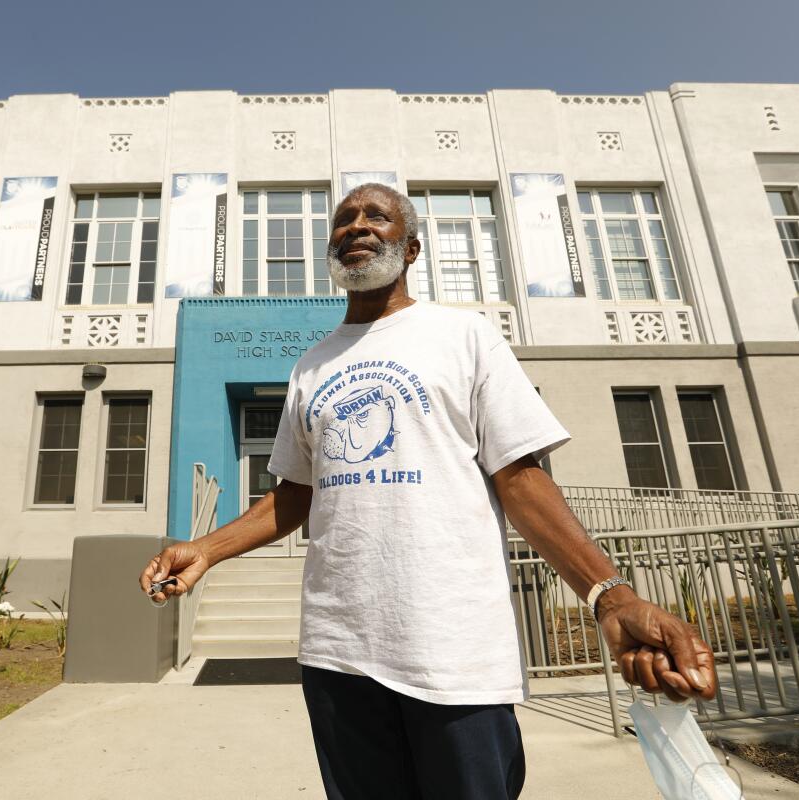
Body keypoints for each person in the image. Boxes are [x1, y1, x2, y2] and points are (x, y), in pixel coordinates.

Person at [139, 183, 718, 799]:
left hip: (453, 654)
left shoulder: (464, 337)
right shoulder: (311, 366)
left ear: (410, 247)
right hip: (338, 655)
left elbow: (521, 482)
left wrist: (610, 595)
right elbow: (296, 494)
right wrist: (206, 549)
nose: (356, 226)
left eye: (376, 217)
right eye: (344, 220)